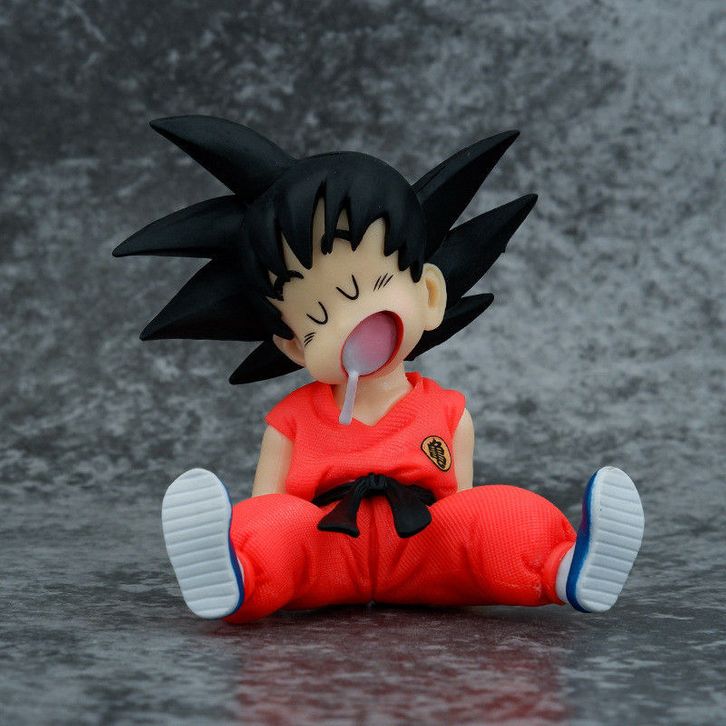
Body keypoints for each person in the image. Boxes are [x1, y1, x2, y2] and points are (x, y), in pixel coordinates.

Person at [114, 116, 644, 623]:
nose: (349, 324)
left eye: (366, 290)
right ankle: (236, 574)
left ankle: (565, 568)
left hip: (424, 551)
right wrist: (265, 532)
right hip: (325, 549)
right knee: (271, 524)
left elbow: (457, 504)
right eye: (317, 319)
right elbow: (270, 502)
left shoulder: (448, 412)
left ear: (429, 295)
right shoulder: (290, 422)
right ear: (293, 347)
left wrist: (470, 543)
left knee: (501, 513)